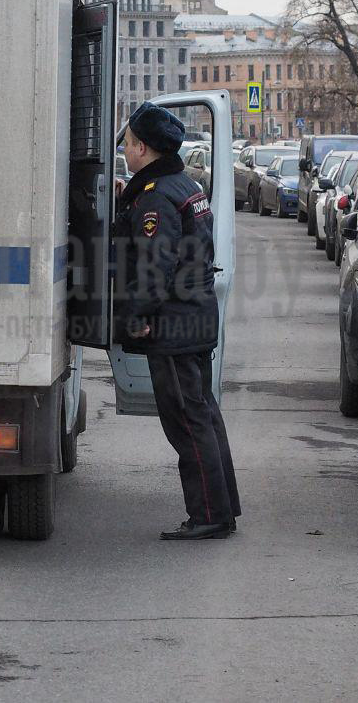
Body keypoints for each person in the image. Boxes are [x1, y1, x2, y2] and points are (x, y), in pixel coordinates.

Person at [113, 101, 241, 540]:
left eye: (128, 144)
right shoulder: (182, 185)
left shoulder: (156, 198)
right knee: (204, 414)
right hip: (196, 317)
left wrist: (137, 318)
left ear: (144, 149)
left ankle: (208, 515)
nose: (125, 151)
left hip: (174, 325)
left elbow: (154, 266)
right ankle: (223, 508)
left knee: (187, 421)